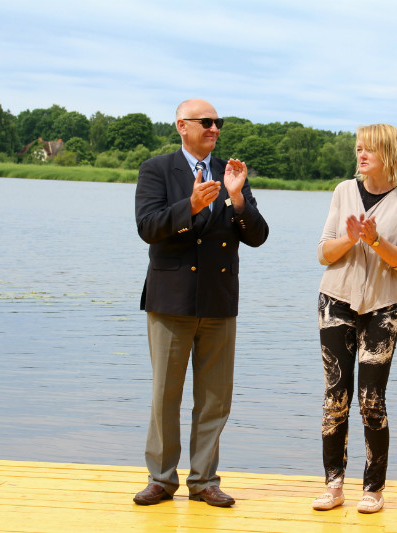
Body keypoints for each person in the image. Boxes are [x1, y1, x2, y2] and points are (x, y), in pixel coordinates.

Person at [132, 98, 269, 507]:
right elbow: (147, 227)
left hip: (218, 300)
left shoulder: (231, 172)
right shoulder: (157, 169)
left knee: (214, 398)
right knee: (165, 395)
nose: (214, 128)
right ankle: (161, 479)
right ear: (182, 125)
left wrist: (237, 198)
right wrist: (189, 206)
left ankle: (205, 481)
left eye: (218, 122)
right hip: (170, 300)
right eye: (206, 121)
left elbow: (258, 235)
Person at [311, 123, 397, 514]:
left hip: (383, 307)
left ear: (389, 154)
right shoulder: (343, 190)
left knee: (371, 401)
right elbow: (323, 253)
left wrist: (375, 240)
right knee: (335, 397)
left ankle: (373, 489)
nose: (361, 155)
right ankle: (333, 485)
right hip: (336, 301)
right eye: (359, 148)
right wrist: (351, 238)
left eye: (369, 149)